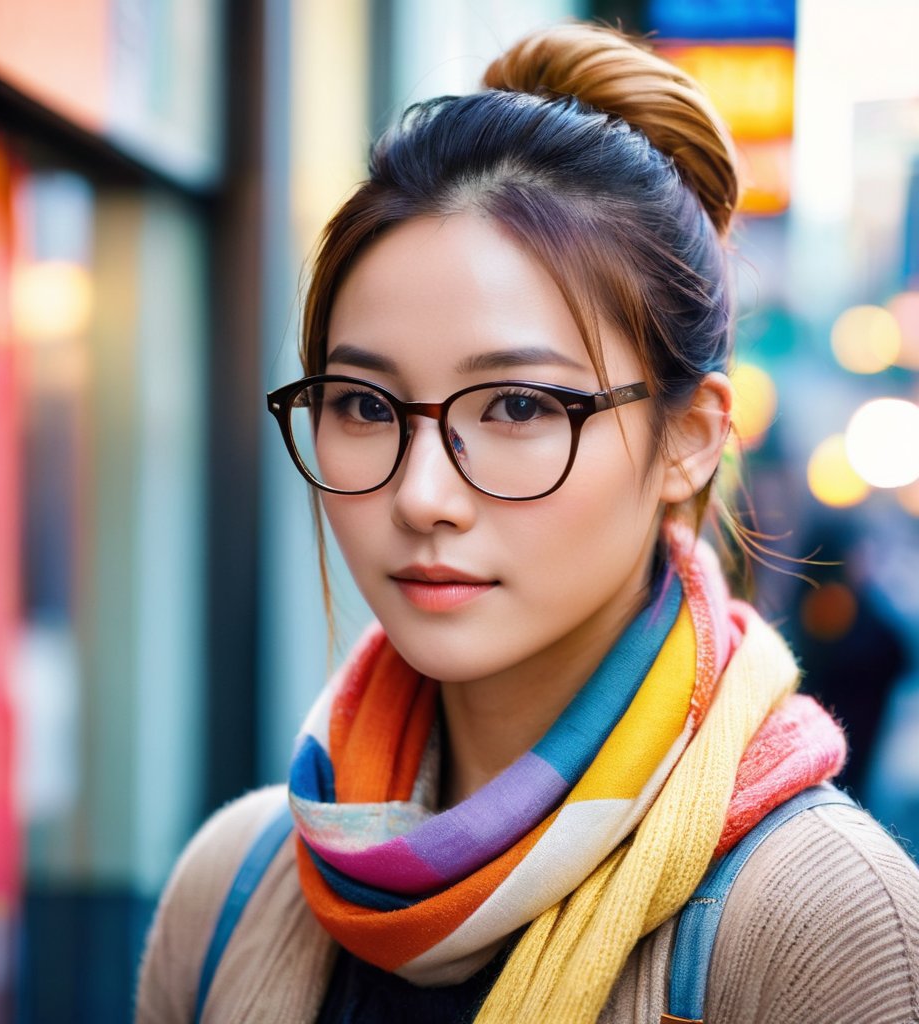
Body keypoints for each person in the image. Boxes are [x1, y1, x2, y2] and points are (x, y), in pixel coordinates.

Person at [136, 22, 919, 1024]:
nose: (421, 494)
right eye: (367, 407)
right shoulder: (232, 889)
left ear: (687, 437)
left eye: (515, 407)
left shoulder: (823, 927)